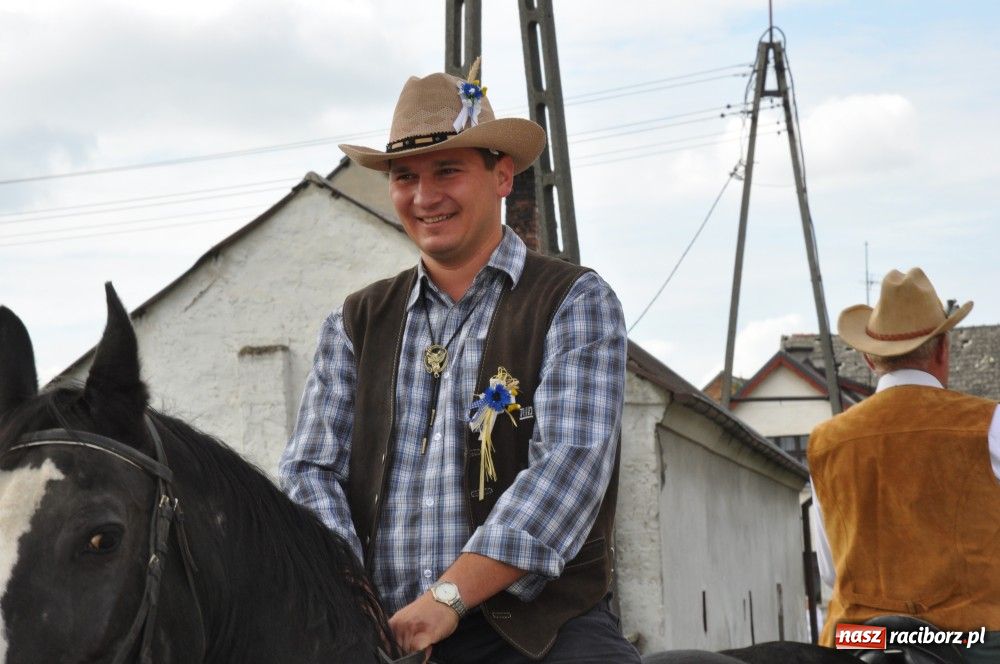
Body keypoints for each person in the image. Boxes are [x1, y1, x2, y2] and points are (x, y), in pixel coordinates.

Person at [279, 61, 638, 664]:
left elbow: (568, 470)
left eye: (447, 170)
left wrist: (447, 598)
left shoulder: (574, 301)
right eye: (405, 176)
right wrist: (356, 602)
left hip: (536, 634)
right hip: (386, 633)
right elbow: (309, 471)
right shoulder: (355, 321)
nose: (424, 197)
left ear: (502, 176)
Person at [808, 267, 1000, 662]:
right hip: (970, 642)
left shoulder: (825, 441)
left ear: (869, 358)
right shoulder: (989, 424)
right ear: (943, 349)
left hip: (857, 640)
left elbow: (829, 572)